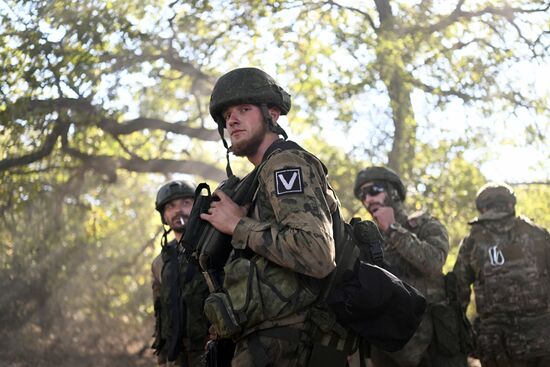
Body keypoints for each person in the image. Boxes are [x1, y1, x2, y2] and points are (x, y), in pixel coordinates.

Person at [199, 67, 341, 367]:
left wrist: (238, 225)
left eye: (243, 109)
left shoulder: (285, 164)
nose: (232, 120)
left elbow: (317, 252)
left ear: (272, 114)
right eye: (226, 116)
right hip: (267, 344)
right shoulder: (259, 176)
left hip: (291, 346)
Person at [353, 167, 467, 367]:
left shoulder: (425, 225)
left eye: (373, 191)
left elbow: (433, 263)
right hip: (388, 348)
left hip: (431, 348)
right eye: (363, 195)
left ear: (393, 192)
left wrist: (393, 229)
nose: (368, 200)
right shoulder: (366, 240)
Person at [453, 182, 550, 367]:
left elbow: (458, 293)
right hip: (541, 338)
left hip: (496, 344)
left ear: (482, 208)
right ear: (511, 204)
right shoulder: (538, 234)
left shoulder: (472, 241)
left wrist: (464, 336)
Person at [151, 180, 210, 367]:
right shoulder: (160, 262)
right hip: (176, 357)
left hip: (212, 353)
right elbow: (160, 311)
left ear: (197, 206)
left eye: (186, 203)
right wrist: (162, 358)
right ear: (164, 215)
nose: (178, 210)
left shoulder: (215, 247)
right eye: (171, 206)